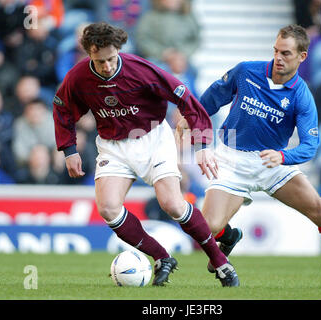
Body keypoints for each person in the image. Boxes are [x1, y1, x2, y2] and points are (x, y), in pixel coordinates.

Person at [177, 24, 321, 287]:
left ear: (302, 56)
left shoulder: (302, 95)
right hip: (231, 158)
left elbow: (310, 145)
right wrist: (190, 116)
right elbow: (213, 99)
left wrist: (283, 157)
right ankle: (228, 237)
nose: (278, 58)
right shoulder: (246, 71)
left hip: (272, 162)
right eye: (276, 51)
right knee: (207, 228)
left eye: (286, 53)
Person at [52, 22, 238, 287]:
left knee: (173, 204)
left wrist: (202, 146)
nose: (106, 66)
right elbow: (62, 109)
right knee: (108, 209)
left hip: (152, 137)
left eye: (111, 58)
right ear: (88, 54)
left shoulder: (140, 69)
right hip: (113, 145)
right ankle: (162, 257)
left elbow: (185, 98)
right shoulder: (78, 77)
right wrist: (69, 149)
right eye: (99, 60)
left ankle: (220, 262)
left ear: (118, 50)